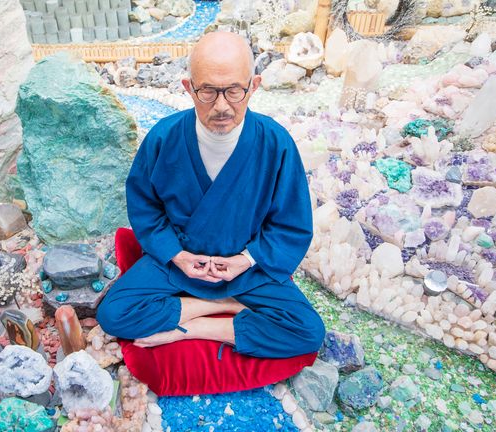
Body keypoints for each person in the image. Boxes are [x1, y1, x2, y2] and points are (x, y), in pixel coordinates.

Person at [97, 31, 325, 359]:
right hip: (179, 265)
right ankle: (218, 304)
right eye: (207, 91)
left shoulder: (276, 144)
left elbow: (291, 224)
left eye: (234, 91)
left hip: (247, 271)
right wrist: (177, 255)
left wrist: (244, 260)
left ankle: (201, 324)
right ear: (188, 87)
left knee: (308, 330)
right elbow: (146, 207)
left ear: (254, 86)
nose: (221, 106)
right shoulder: (163, 138)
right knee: (113, 313)